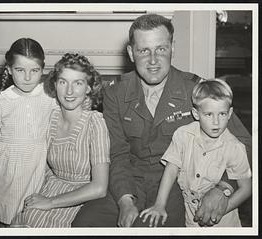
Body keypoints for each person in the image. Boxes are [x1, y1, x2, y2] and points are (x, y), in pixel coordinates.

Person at [72, 14, 252, 227]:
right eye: (143, 50)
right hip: (127, 182)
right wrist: (125, 201)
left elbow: (245, 145)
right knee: (85, 223)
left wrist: (224, 187)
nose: (153, 61)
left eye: (161, 49)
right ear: (131, 53)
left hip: (174, 187)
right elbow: (117, 153)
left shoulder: (195, 89)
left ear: (172, 48)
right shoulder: (116, 93)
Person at [10, 53, 110, 227]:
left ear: (88, 88)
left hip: (82, 199)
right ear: (55, 85)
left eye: (78, 83)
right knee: (23, 220)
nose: (69, 91)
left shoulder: (95, 123)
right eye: (63, 82)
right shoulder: (51, 117)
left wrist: (50, 202)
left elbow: (100, 188)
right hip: (49, 189)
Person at [139, 79, 252, 227]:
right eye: (209, 114)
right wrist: (159, 205)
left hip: (225, 224)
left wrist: (218, 211)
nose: (216, 122)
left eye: (222, 114)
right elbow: (171, 169)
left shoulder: (235, 148)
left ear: (230, 113)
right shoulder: (183, 135)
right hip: (190, 221)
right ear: (196, 114)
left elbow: (246, 188)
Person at [0, 38, 58, 226]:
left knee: (30, 221)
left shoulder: (50, 97)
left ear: (43, 69)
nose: (28, 78)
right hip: (7, 174)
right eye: (20, 70)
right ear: (9, 69)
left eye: (34, 70)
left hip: (38, 171)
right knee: (4, 221)